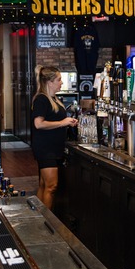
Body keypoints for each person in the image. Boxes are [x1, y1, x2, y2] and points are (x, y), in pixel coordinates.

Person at [32, 66, 77, 210]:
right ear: (49, 82)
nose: (61, 83)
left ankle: (39, 218)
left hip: (53, 147)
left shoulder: (54, 99)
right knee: (51, 186)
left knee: (44, 185)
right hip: (45, 148)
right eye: (59, 80)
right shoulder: (41, 99)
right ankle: (47, 222)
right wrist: (63, 122)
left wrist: (68, 122)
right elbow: (38, 124)